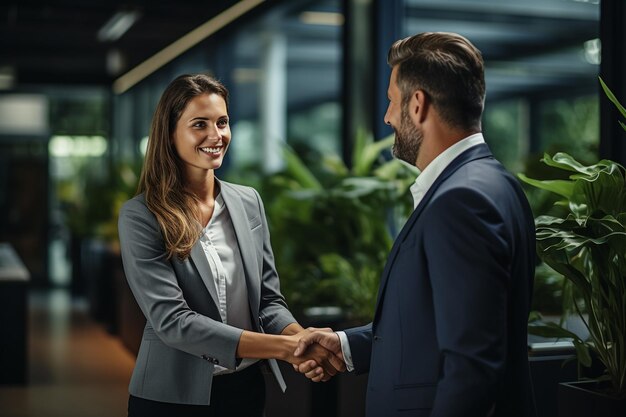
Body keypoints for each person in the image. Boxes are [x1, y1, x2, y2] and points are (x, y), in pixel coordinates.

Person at [294, 32, 537, 417]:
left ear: (418, 104)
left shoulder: (461, 201)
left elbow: (471, 366)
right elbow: (437, 330)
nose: (388, 116)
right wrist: (345, 345)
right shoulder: (497, 184)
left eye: (392, 101)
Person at [118, 73, 343, 417]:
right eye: (199, 124)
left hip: (244, 390)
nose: (216, 135)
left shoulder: (248, 201)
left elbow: (267, 301)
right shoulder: (141, 216)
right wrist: (286, 348)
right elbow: (173, 321)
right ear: (169, 133)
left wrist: (303, 338)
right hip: (171, 398)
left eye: (222, 122)